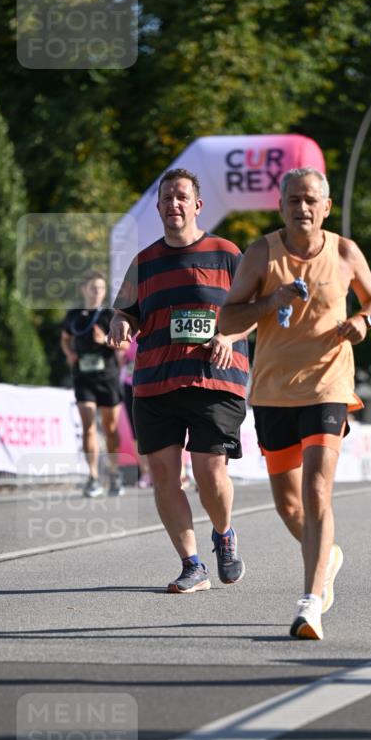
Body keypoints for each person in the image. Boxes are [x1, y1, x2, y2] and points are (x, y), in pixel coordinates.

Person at [219, 167, 371, 640]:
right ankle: (326, 554)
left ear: (326, 207)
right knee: (289, 506)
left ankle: (311, 602)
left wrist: (363, 322)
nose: (302, 208)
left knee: (317, 491)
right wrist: (269, 301)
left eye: (311, 200)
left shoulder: (345, 252)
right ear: (281, 206)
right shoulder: (260, 254)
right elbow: (227, 318)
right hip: (273, 391)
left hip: (328, 385)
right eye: (294, 200)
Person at [107, 167, 251, 592]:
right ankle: (192, 564)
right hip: (154, 382)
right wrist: (118, 323)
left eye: (181, 197)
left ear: (197, 205)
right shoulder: (145, 261)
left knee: (209, 472)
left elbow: (253, 313)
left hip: (214, 379)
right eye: (167, 197)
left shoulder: (227, 254)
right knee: (165, 475)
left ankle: (223, 534)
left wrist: (228, 334)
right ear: (159, 206)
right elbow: (124, 311)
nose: (174, 204)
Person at [60, 270, 124, 498]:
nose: (98, 292)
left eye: (101, 288)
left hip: (107, 378)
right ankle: (93, 476)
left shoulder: (110, 315)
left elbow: (124, 347)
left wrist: (104, 340)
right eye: (93, 288)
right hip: (83, 378)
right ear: (84, 289)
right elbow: (65, 338)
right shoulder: (74, 315)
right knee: (88, 425)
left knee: (110, 429)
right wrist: (69, 354)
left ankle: (115, 473)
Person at [119, 335, 151, 488]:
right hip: (130, 385)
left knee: (162, 428)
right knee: (135, 432)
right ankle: (145, 472)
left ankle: (179, 472)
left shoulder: (154, 324)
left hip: (153, 383)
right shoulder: (127, 331)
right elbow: (119, 360)